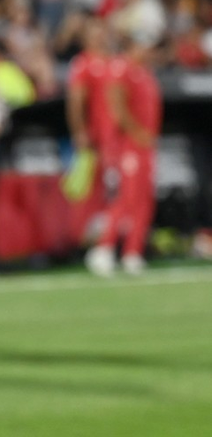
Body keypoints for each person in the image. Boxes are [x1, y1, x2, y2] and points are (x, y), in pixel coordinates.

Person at [90, 32, 162, 275]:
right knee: (126, 198)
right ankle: (104, 248)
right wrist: (137, 133)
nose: (149, 52)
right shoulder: (121, 69)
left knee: (144, 200)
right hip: (129, 145)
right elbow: (117, 108)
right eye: (145, 47)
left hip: (145, 146)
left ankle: (133, 251)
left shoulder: (145, 72)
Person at [66, 16, 121, 256]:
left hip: (119, 138)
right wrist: (79, 131)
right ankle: (90, 243)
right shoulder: (83, 63)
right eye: (94, 32)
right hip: (98, 139)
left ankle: (112, 240)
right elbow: (76, 101)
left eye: (102, 31)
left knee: (118, 191)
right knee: (96, 193)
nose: (100, 36)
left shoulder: (115, 62)